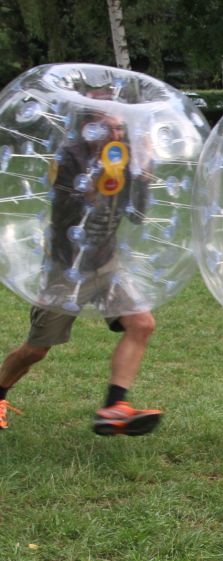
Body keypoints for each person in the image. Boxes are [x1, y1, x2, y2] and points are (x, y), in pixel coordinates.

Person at [0, 109, 161, 435]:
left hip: (107, 263)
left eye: (121, 129)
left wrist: (143, 174)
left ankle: (115, 406)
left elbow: (137, 216)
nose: (117, 135)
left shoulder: (122, 158)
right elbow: (73, 212)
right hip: (67, 268)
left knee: (142, 324)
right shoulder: (69, 158)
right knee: (36, 349)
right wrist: (100, 179)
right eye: (110, 128)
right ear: (90, 129)